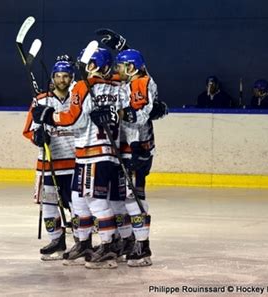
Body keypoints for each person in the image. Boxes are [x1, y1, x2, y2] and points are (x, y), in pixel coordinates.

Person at [32, 47, 133, 269]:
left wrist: (49, 115)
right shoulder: (118, 87)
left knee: (95, 202)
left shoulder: (82, 87)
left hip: (92, 152)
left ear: (96, 65)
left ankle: (107, 247)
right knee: (78, 200)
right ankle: (85, 243)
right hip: (100, 153)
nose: (85, 68)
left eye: (88, 64)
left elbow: (73, 120)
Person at [114, 49, 168, 267]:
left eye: (121, 66)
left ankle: (142, 245)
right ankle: (129, 240)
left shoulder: (140, 82)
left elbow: (138, 116)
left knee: (134, 198)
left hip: (137, 150)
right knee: (121, 198)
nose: (117, 71)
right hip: (125, 148)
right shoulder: (130, 83)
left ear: (131, 67)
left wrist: (118, 114)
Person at [23, 61, 76, 261]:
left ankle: (81, 242)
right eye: (58, 76)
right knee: (49, 205)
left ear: (71, 79)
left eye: (66, 76)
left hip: (74, 163)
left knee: (77, 207)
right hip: (48, 164)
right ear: (52, 78)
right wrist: (38, 137)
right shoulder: (41, 100)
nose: (62, 80)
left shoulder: (77, 99)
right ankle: (56, 240)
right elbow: (28, 129)